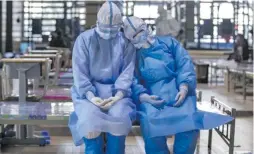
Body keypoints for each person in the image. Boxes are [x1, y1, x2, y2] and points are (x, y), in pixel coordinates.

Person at [123, 16, 233, 154]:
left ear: (146, 26)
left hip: (179, 93)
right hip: (152, 99)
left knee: (189, 122)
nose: (140, 35)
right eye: (135, 35)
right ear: (130, 39)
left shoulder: (169, 43)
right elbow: (132, 79)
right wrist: (143, 96)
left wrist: (184, 86)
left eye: (141, 30)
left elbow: (184, 64)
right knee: (151, 124)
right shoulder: (134, 56)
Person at [68, 2, 136, 154]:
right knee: (90, 125)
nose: (108, 35)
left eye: (113, 31)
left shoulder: (125, 43)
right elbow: (80, 74)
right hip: (87, 95)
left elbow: (127, 73)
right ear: (97, 23)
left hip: (118, 95)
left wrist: (118, 96)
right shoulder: (84, 40)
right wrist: (91, 97)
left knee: (119, 121)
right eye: (105, 30)